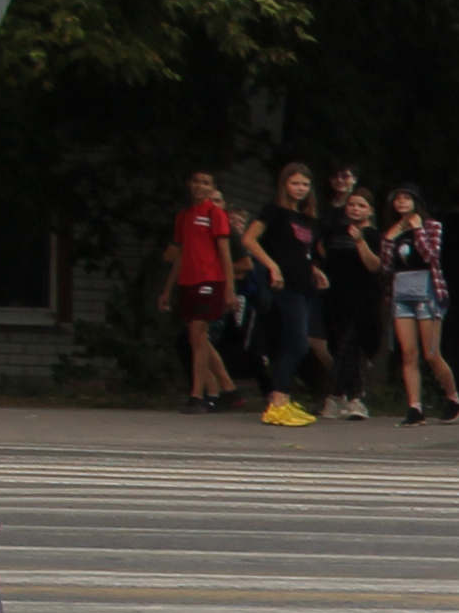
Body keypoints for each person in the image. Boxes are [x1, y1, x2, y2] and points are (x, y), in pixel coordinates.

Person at [243, 162, 331, 427]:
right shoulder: (274, 211)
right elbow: (249, 239)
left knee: (293, 342)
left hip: (304, 285)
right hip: (285, 286)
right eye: (295, 183)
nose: (300, 189)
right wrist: (271, 266)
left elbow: (302, 252)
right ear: (284, 184)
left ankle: (282, 398)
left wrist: (315, 270)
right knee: (297, 342)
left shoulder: (306, 218)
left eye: (305, 184)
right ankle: (278, 403)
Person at [157, 170, 241, 411]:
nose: (200, 186)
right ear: (189, 184)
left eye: (206, 183)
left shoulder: (215, 214)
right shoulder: (183, 217)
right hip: (187, 281)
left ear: (212, 187)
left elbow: (225, 253)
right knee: (198, 339)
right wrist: (167, 290)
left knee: (198, 335)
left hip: (210, 280)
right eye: (196, 181)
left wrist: (228, 288)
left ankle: (197, 395)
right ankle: (228, 389)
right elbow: (180, 255)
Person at [379, 184, 459, 423]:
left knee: (432, 353)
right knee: (408, 353)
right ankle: (415, 407)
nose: (402, 203)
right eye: (397, 199)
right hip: (401, 292)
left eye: (406, 198)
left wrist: (417, 231)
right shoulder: (392, 230)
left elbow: (431, 256)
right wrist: (388, 240)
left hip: (427, 292)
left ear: (416, 202)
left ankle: (453, 398)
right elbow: (385, 267)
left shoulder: (431, 225)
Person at [323, 178, 391, 419]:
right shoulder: (336, 231)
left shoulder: (372, 234)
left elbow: (375, 266)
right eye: (352, 204)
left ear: (369, 210)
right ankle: (353, 398)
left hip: (363, 300)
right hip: (337, 298)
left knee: (350, 345)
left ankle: (337, 395)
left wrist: (359, 241)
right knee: (344, 348)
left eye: (361, 205)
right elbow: (325, 255)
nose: (355, 209)